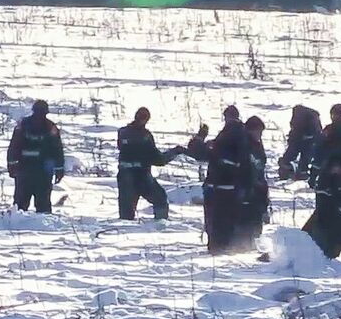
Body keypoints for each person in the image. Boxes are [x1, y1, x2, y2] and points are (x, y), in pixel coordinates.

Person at [187, 106, 252, 254]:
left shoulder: (231, 135)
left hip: (220, 187)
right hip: (226, 187)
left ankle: (219, 248)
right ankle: (223, 247)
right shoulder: (239, 135)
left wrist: (199, 140)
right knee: (222, 222)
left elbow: (205, 154)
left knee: (216, 222)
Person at [305, 104, 341, 259]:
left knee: (324, 217)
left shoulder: (329, 132)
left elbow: (319, 155)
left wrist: (313, 176)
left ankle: (325, 250)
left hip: (328, 180)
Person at [115, 107, 185, 220]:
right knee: (160, 199)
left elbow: (121, 147)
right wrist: (175, 152)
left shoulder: (122, 132)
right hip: (142, 176)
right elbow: (158, 160)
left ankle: (125, 230)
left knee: (126, 215)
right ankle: (160, 226)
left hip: (124, 175)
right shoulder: (146, 136)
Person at [6, 100, 65, 213]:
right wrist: (59, 169)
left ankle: (17, 224)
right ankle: (39, 226)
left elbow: (14, 146)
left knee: (22, 206)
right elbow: (57, 149)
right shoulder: (50, 127)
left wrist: (11, 164)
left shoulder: (22, 125)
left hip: (29, 170)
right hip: (38, 171)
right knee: (37, 205)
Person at [238, 116, 271, 246]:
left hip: (257, 187)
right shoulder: (245, 145)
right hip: (248, 188)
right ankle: (246, 243)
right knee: (249, 218)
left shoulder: (256, 145)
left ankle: (254, 242)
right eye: (258, 132)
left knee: (256, 217)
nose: (259, 135)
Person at [278, 104, 322, 181]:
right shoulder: (310, 117)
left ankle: (294, 171)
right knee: (302, 157)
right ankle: (298, 172)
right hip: (305, 139)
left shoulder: (305, 118)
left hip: (305, 139)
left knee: (297, 156)